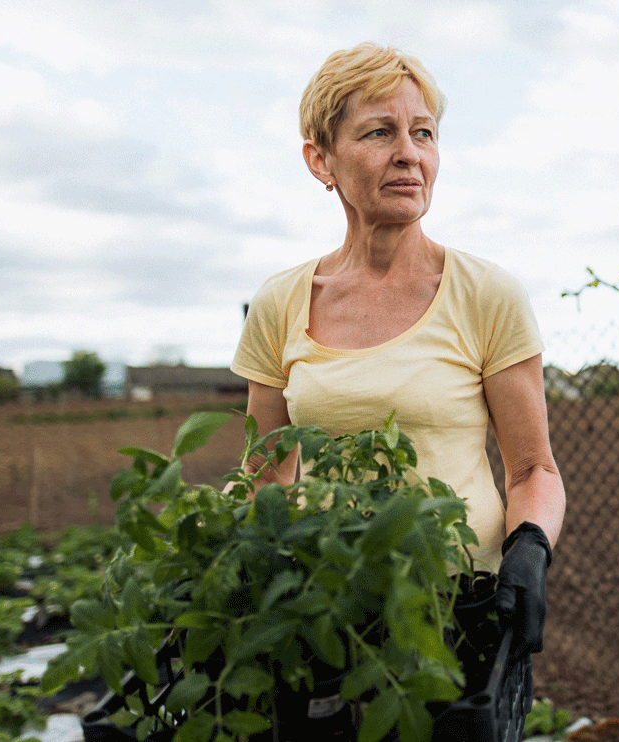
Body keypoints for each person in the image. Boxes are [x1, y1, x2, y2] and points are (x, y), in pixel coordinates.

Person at [230, 43, 565, 673]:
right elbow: (265, 474)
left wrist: (529, 546)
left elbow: (532, 472)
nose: (409, 153)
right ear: (320, 159)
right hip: (323, 611)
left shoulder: (486, 294)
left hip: (459, 606)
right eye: (379, 132)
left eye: (423, 133)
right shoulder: (280, 302)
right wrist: (221, 556)